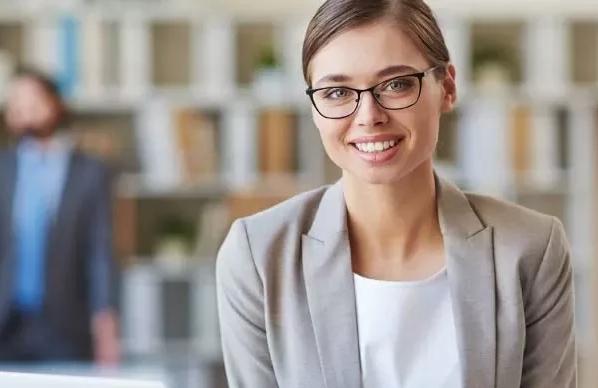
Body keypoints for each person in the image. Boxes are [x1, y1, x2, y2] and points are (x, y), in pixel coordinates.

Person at [214, 0, 576, 387]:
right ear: (315, 109)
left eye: (396, 84)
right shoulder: (259, 256)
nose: (369, 115)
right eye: (337, 92)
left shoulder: (530, 248)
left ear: (447, 88)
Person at [0, 68, 121, 365]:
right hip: (7, 322)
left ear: (55, 104)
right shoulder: (4, 167)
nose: (22, 110)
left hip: (65, 323)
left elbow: (99, 250)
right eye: (14, 102)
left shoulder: (88, 172)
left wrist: (105, 323)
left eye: (31, 100)